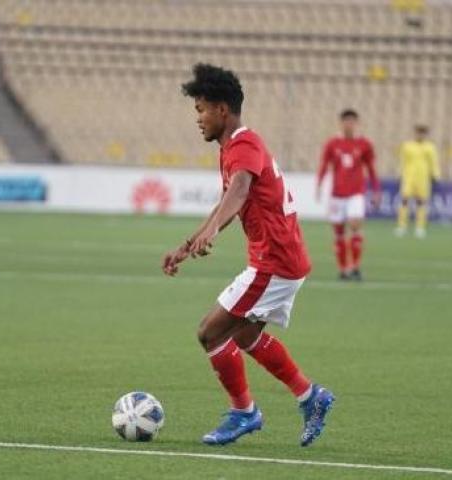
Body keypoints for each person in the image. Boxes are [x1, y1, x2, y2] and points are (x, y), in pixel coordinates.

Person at [163, 64, 334, 447]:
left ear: (223, 109)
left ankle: (244, 412)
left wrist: (210, 234)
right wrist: (188, 245)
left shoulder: (244, 144)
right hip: (282, 259)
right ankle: (311, 396)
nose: (199, 119)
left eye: (202, 109)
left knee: (210, 332)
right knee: (243, 335)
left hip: (274, 262)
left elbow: (239, 190)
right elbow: (229, 199)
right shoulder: (234, 148)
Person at [316, 110, 380, 281]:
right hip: (337, 194)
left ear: (356, 123)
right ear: (341, 123)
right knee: (338, 232)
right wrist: (319, 185)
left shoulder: (364, 144)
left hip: (356, 193)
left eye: (352, 121)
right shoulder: (332, 144)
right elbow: (324, 165)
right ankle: (343, 269)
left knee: (355, 225)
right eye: (346, 121)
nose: (349, 125)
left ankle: (355, 267)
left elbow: (372, 169)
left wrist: (376, 190)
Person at [396, 125, 441, 238]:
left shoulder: (430, 147)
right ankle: (402, 226)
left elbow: (433, 162)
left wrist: (435, 175)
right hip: (409, 177)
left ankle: (420, 227)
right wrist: (400, 173)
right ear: (415, 133)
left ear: (426, 134)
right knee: (404, 200)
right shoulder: (407, 146)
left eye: (423, 133)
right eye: (418, 132)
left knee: (421, 202)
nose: (420, 135)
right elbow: (403, 161)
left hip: (423, 178)